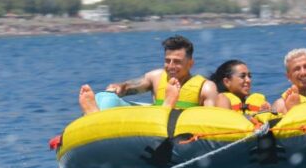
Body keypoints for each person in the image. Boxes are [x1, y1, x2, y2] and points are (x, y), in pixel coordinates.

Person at [78, 35, 219, 114]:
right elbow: (129, 87)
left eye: (177, 62)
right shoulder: (156, 77)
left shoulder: (206, 88)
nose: (170, 66)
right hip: (151, 127)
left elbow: (209, 120)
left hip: (181, 132)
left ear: (190, 64)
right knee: (105, 97)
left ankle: (169, 106)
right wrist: (120, 87)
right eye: (167, 61)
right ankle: (94, 117)